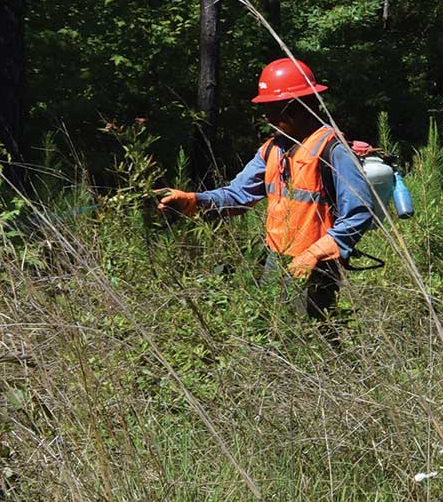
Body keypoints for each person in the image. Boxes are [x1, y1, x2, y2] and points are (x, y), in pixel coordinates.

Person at [154, 58, 375, 321]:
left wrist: (313, 254)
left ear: (306, 105)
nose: (270, 118)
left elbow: (359, 214)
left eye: (278, 109)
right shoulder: (272, 149)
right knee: (273, 331)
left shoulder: (333, 150)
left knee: (313, 340)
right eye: (268, 109)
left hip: (317, 267)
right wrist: (194, 200)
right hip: (276, 260)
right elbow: (237, 195)